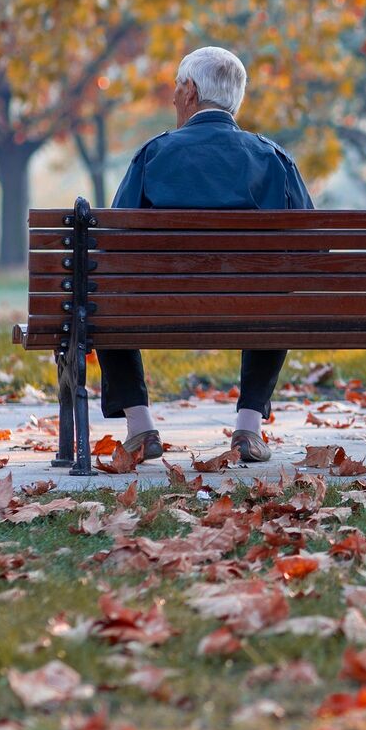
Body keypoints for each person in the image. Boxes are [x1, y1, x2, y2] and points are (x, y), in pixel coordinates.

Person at [98, 46, 313, 464]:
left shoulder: (154, 154)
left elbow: (113, 244)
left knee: (101, 297)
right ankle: (248, 429)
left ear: (191, 91)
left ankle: (140, 428)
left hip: (157, 309)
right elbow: (311, 247)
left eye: (178, 88)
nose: (174, 97)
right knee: (275, 293)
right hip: (254, 308)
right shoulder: (272, 158)